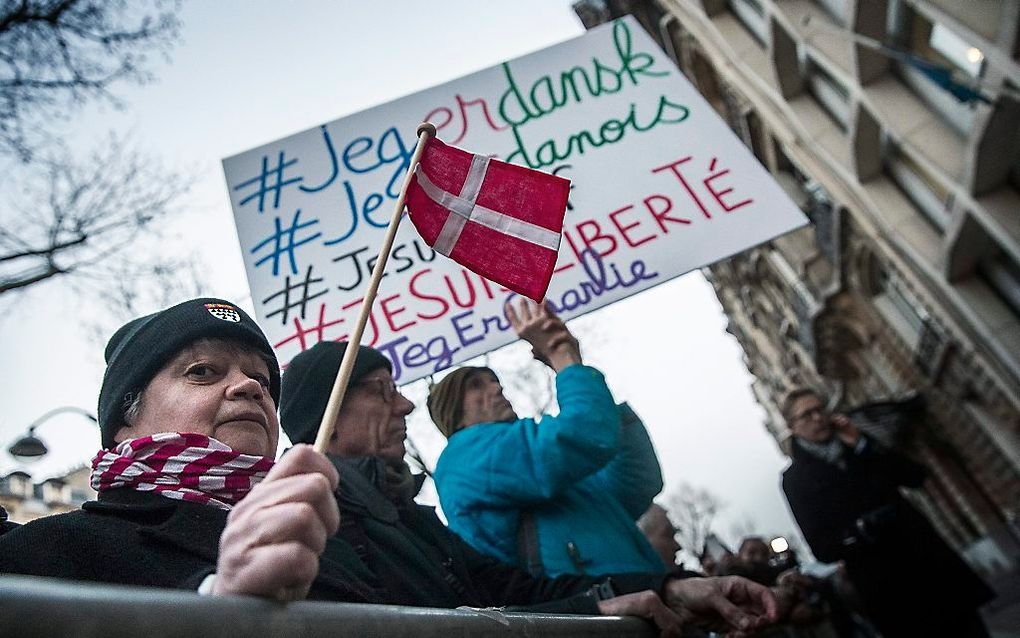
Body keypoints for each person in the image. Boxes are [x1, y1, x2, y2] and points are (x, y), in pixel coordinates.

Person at [279, 338, 780, 635]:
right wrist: (568, 362)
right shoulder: (308, 524)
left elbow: (633, 484)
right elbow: (584, 437)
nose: (404, 406)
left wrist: (666, 585)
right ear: (328, 415)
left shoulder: (414, 518)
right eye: (382, 392)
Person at [0, 298, 376, 602]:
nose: (249, 386)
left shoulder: (331, 544)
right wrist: (217, 604)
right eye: (202, 371)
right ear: (124, 421)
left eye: (261, 378)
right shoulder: (50, 552)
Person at [428, 299, 665, 578]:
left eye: (494, 381)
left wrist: (610, 414)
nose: (496, 387)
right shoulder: (465, 458)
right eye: (476, 386)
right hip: (586, 612)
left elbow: (635, 485)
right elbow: (588, 433)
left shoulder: (539, 468)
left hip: (633, 596)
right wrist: (562, 357)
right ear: (452, 410)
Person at [780, 387, 994, 638]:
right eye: (807, 415)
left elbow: (914, 476)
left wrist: (862, 444)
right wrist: (861, 530)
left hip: (932, 568)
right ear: (793, 427)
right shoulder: (795, 480)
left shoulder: (858, 444)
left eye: (820, 409)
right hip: (889, 590)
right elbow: (823, 548)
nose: (818, 418)